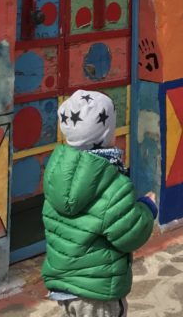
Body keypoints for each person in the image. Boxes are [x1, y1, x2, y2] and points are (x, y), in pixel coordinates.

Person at [42, 89, 157, 317]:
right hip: (97, 291)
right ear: (106, 133)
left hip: (64, 285)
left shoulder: (56, 173)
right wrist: (147, 207)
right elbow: (130, 235)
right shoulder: (113, 184)